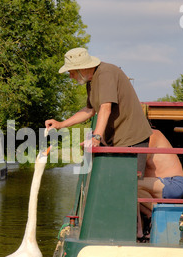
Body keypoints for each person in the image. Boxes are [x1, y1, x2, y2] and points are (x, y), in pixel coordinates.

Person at [45, 47, 152, 178]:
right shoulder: (90, 82)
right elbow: (90, 110)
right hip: (116, 140)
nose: (70, 76)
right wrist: (61, 124)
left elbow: (105, 107)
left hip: (132, 139)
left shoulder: (105, 74)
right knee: (115, 184)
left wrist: (96, 137)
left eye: (71, 72)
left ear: (82, 68)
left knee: (130, 186)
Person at [137, 129, 183, 239]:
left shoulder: (152, 135)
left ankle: (159, 215)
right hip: (156, 185)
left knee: (132, 183)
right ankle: (141, 228)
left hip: (172, 183)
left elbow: (141, 160)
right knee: (130, 190)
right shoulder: (140, 138)